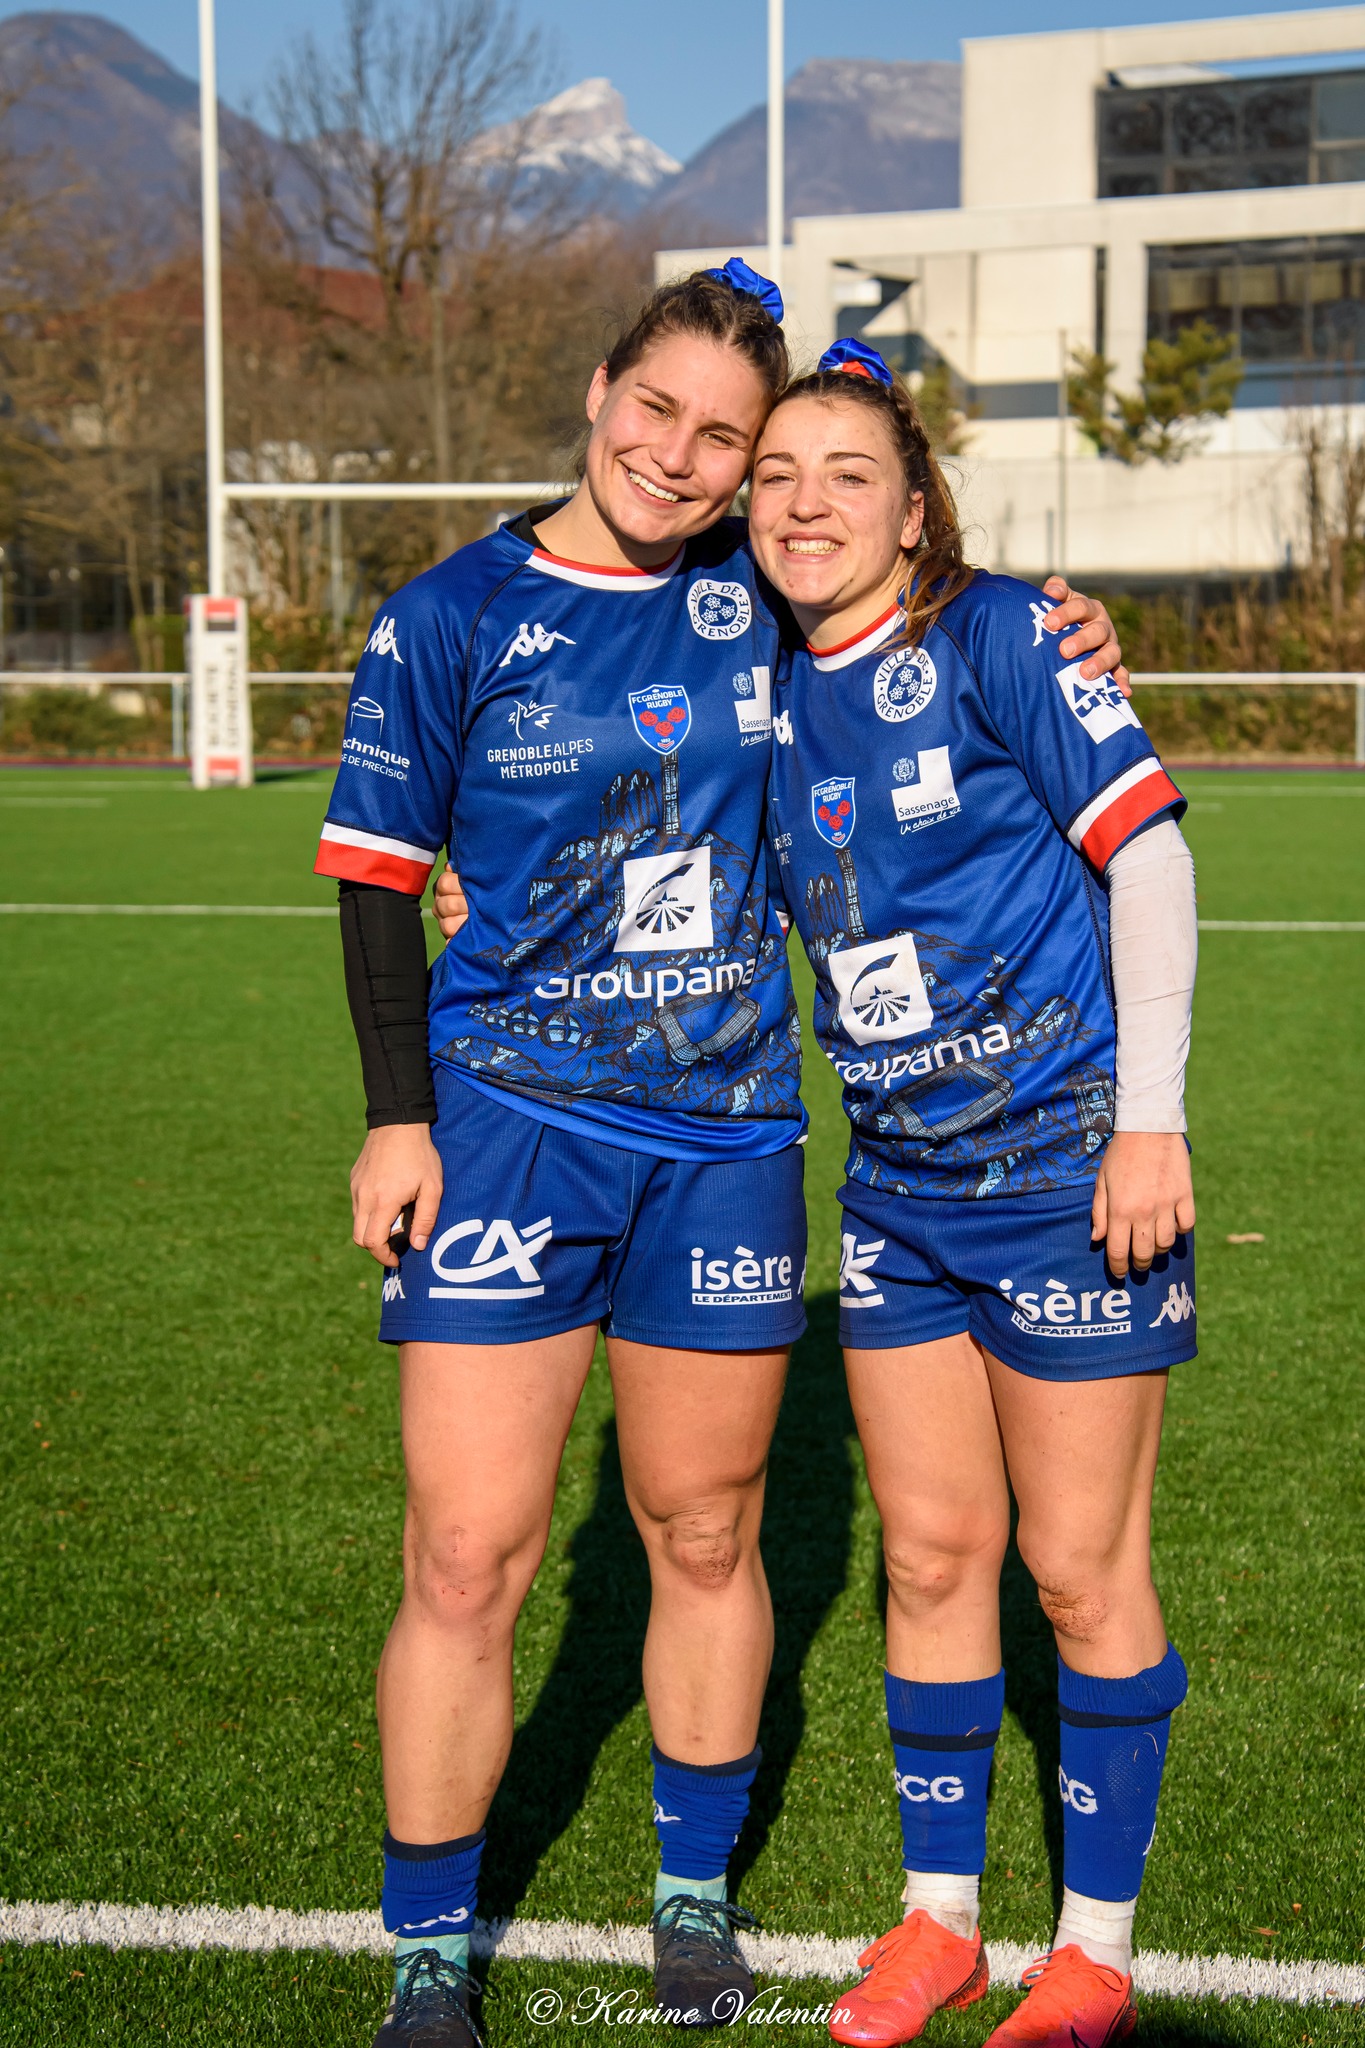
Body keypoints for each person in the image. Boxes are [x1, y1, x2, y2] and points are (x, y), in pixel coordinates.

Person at [319, 261, 1130, 2047]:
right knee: (466, 1553)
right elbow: (379, 882)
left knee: (702, 1532)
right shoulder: (448, 615)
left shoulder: (758, 588)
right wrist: (395, 1113)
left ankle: (692, 1901)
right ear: (597, 390)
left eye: (722, 439)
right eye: (656, 411)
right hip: (505, 1132)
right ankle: (429, 1952)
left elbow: (916, 603)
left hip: (727, 1137)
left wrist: (1063, 621)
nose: (680, 460)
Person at [747, 337, 1197, 2048]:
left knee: (1076, 1570)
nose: (805, 504)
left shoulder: (1003, 635)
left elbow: (1150, 861)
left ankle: (1092, 1955)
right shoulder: (750, 683)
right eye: (776, 475)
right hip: (897, 1197)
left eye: (847, 474)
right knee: (934, 1557)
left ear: (914, 510)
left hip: (1069, 1178)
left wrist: (1148, 1126)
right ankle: (937, 1921)